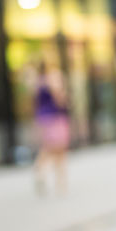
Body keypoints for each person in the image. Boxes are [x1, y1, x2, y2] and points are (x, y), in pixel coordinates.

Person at [31, 60, 71, 195]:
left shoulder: (38, 83)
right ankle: (60, 183)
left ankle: (40, 171)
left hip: (44, 119)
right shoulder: (53, 80)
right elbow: (60, 100)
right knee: (60, 151)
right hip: (56, 118)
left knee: (48, 148)